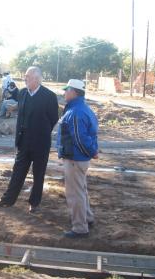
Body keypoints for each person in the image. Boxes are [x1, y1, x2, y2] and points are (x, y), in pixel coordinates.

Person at [0, 66, 58, 213]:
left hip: (41, 143)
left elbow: (54, 118)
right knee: (17, 172)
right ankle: (7, 200)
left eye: (27, 76)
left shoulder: (49, 96)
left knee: (38, 174)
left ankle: (34, 203)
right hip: (24, 141)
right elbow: (20, 116)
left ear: (36, 78)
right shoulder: (22, 93)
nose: (25, 79)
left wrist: (42, 132)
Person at [56, 79, 98, 238]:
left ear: (74, 92)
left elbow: (80, 139)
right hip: (79, 158)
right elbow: (90, 135)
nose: (64, 92)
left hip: (75, 158)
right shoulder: (83, 109)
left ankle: (80, 228)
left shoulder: (75, 112)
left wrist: (91, 151)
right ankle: (87, 218)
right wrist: (92, 151)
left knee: (75, 194)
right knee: (81, 190)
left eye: (66, 90)